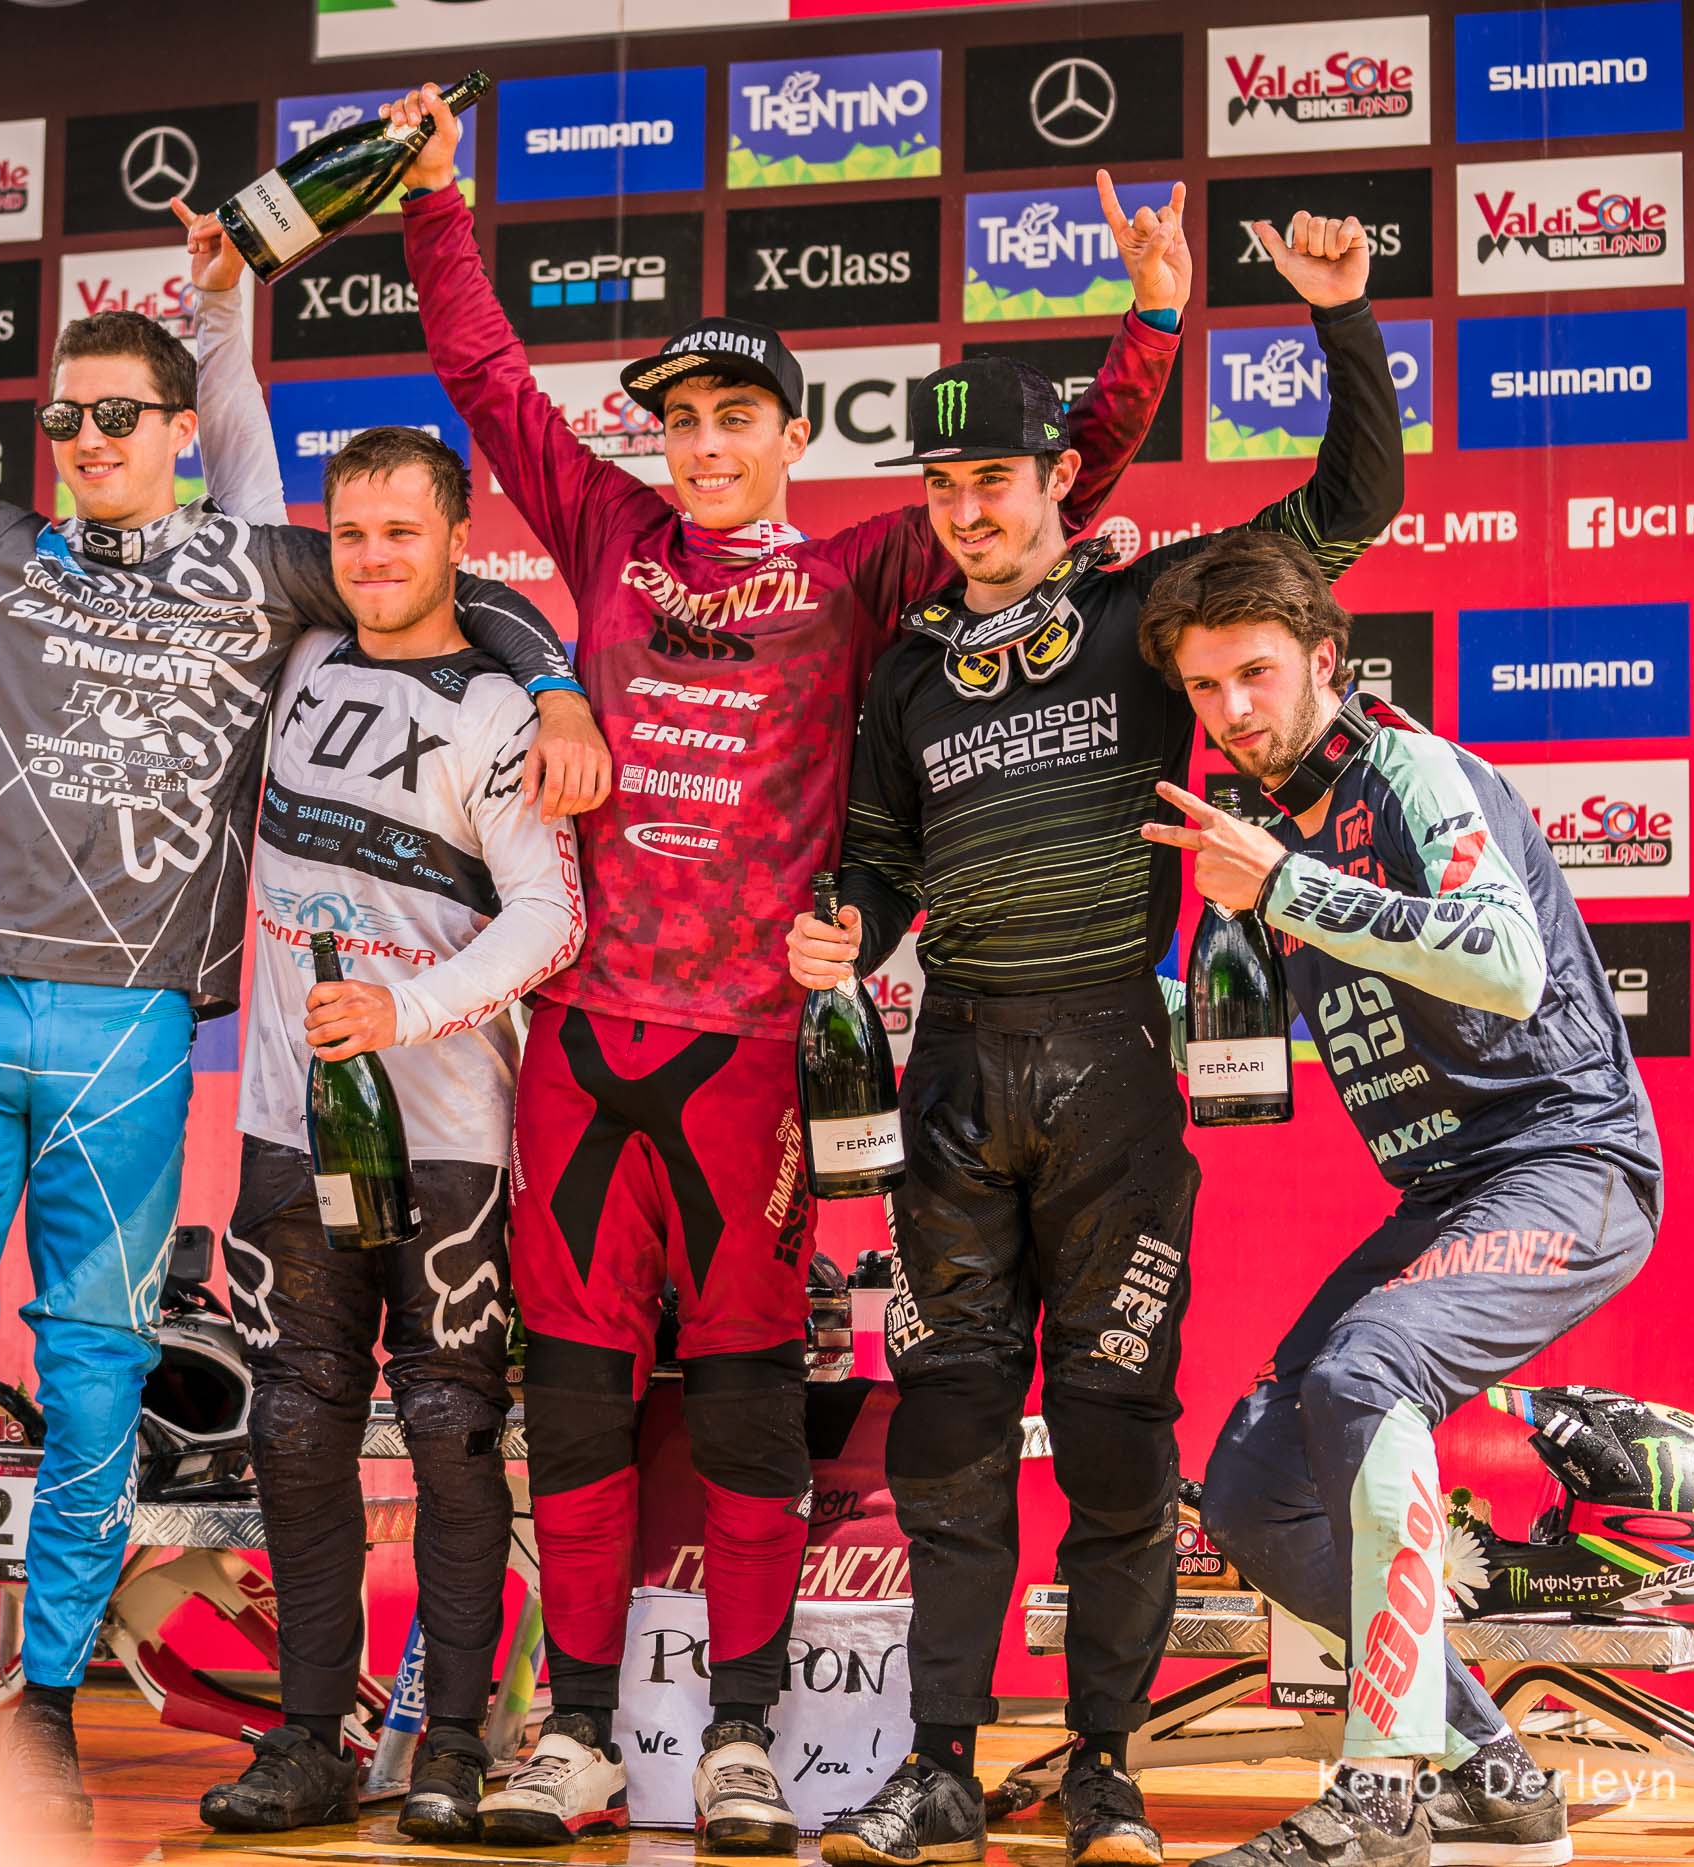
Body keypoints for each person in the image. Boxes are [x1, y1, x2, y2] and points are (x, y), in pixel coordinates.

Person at [0, 128, 603, 1831]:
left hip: (130, 1032)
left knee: (95, 1370)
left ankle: (45, 1703)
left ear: (178, 431)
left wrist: (551, 688)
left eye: (120, 416)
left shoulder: (265, 571)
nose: (87, 441)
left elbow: (438, 585)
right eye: (65, 419)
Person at [385, 79, 1186, 1852]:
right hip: (585, 1031)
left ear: (790, 435)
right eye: (681, 419)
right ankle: (575, 1734)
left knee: (749, 1398)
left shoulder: (857, 573)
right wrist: (437, 202)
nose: (703, 445)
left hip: (753, 1045)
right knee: (574, 1401)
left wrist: (1151, 323)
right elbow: (490, 386)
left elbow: (1056, 480)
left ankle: (742, 1734)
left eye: (735, 417)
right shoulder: (606, 535)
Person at [791, 213, 1397, 1867]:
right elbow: (881, 860)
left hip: (1117, 1062)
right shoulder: (909, 669)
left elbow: (1349, 510)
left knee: (1120, 1426)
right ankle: (935, 1767)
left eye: (992, 478)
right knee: (947, 1430)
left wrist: (1342, 319)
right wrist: (845, 925)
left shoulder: (1150, 611)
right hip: (953, 1072)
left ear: (1060, 476)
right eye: (940, 487)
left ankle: (1107, 1771)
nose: (965, 510)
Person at [1123, 528, 1662, 1861]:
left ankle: (1381, 1794)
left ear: (1324, 658)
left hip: (1570, 1161)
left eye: (1254, 672)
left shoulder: (1410, 770)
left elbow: (1506, 962)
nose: (1231, 710)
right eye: (1204, 687)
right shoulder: (1275, 836)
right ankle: (1494, 1769)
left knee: (1365, 1373)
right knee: (1253, 1488)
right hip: (1445, 1192)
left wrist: (1288, 887)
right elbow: (1243, 1044)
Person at [190, 414, 585, 1837]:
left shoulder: (504, 710)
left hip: (449, 1125)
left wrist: (407, 1010)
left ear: (457, 541)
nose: (369, 558)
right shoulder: (298, 653)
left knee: (448, 1423)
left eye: (401, 532)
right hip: (289, 1122)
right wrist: (220, 317)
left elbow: (552, 914)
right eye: (350, 532)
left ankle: (454, 1745)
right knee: (296, 1422)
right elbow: (239, 487)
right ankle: (311, 1736)